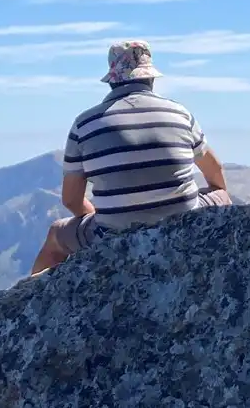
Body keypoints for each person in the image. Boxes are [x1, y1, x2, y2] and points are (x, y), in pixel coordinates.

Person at [31, 40, 233, 274]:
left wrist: (111, 216)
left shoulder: (85, 124)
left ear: (112, 80)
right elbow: (215, 171)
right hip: (184, 223)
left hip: (113, 232)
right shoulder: (179, 113)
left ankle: (23, 304)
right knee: (222, 196)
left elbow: (71, 200)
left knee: (56, 234)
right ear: (151, 78)